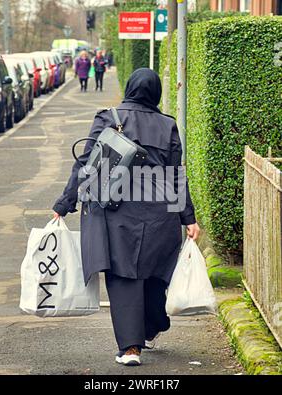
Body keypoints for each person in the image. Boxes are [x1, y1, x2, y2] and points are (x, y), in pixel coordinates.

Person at [53, 68, 200, 367]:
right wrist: (188, 218)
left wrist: (65, 202)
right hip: (160, 213)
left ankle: (130, 348)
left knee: (123, 277)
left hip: (117, 212)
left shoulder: (109, 118)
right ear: (155, 92)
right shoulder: (168, 125)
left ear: (131, 88)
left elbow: (86, 165)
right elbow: (176, 176)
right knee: (155, 274)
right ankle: (153, 325)